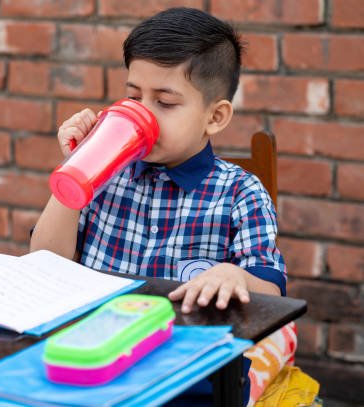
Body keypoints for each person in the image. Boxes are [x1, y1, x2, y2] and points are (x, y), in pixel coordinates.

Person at [30, 7, 289, 405]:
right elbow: (47, 261)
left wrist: (233, 276)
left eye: (165, 103)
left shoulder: (240, 192)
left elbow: (270, 292)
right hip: (93, 357)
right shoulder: (106, 173)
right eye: (134, 96)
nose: (142, 114)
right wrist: (77, 168)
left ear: (215, 117)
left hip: (193, 377)